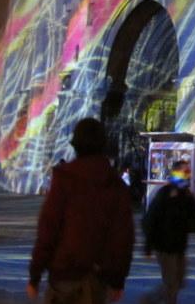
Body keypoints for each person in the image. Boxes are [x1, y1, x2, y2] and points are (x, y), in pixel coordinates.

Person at [27, 118, 134, 303]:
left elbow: (48, 229)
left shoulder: (65, 178)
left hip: (64, 272)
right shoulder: (116, 184)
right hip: (96, 277)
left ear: (75, 144)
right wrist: (118, 280)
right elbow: (123, 237)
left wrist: (35, 275)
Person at [141, 160, 195, 304]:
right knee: (171, 284)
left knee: (179, 282)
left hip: (179, 245)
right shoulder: (165, 193)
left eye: (189, 172)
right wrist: (148, 248)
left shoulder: (187, 195)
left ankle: (150, 300)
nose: (189, 175)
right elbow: (150, 220)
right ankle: (150, 300)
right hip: (164, 246)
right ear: (176, 173)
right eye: (185, 171)